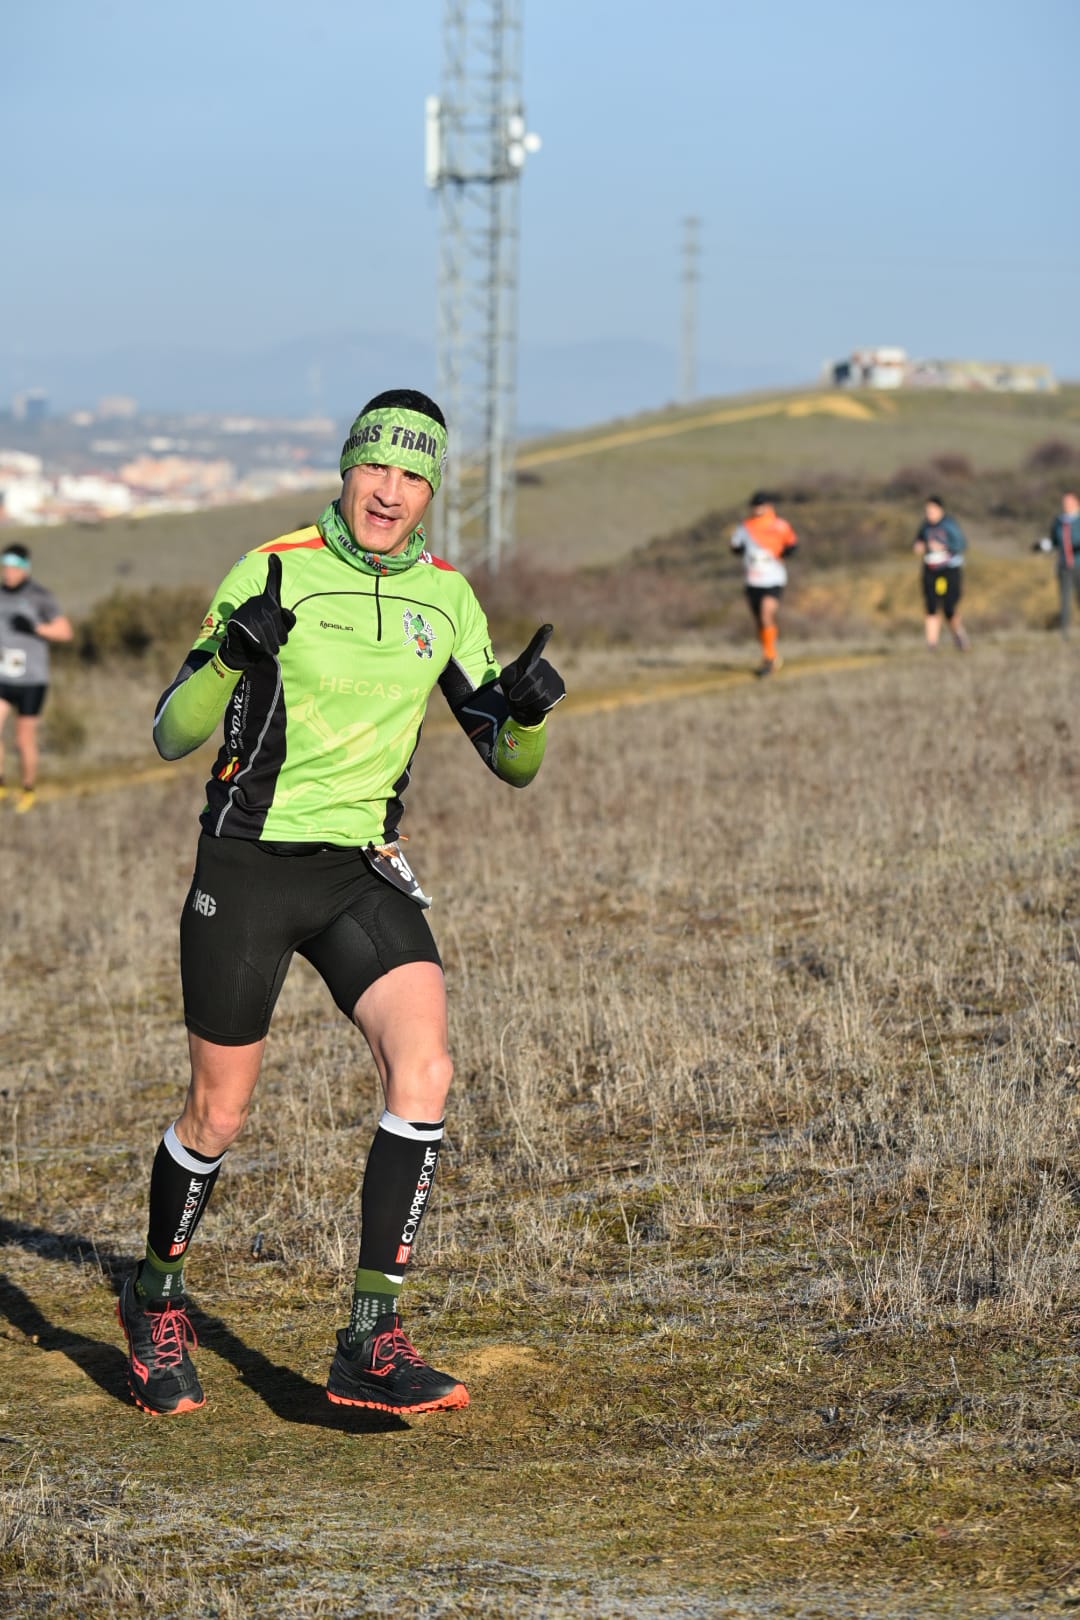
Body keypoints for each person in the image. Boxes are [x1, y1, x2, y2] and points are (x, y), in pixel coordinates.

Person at [117, 389, 565, 1418]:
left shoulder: (447, 601)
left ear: (431, 493)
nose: (390, 493)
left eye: (413, 478)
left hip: (360, 865)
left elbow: (506, 758)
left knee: (428, 1067)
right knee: (220, 1111)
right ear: (347, 469)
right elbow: (170, 731)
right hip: (250, 862)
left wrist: (528, 717)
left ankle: (370, 1339)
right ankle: (154, 1299)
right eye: (377, 470)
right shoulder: (274, 571)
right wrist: (235, 649)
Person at [0, 543, 73, 812]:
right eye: (5, 567)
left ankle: (28, 789)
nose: (8, 572)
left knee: (23, 740)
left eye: (13, 567)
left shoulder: (39, 596)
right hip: (4, 676)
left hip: (31, 679)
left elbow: (65, 632)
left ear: (24, 569)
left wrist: (35, 627)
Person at [730, 490, 798, 676]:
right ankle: (770, 653)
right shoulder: (745, 527)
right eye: (755, 506)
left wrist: (780, 554)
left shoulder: (780, 525)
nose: (758, 509)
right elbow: (734, 546)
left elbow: (792, 545)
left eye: (761, 505)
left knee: (766, 613)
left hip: (774, 578)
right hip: (752, 580)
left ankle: (769, 658)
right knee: (760, 621)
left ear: (769, 506)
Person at [913, 495, 968, 650]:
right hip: (931, 571)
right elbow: (918, 541)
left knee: (949, 607)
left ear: (940, 509)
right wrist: (919, 546)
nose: (929, 513)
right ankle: (932, 644)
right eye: (926, 510)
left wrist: (943, 546)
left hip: (949, 570)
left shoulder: (949, 525)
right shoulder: (925, 526)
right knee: (931, 605)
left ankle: (959, 636)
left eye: (931, 510)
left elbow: (961, 544)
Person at [1033, 490, 1080, 637]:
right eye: (1064, 502)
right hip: (1064, 564)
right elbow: (1054, 541)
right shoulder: (1059, 521)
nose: (1065, 505)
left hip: (1079, 563)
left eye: (1069, 502)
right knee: (1064, 598)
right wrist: (1041, 545)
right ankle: (1064, 632)